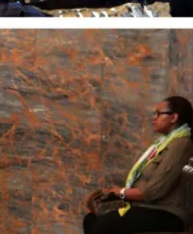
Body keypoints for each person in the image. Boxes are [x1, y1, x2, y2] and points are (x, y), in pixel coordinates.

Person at [83, 95, 193, 234]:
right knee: (90, 219)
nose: (154, 117)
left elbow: (154, 191)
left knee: (104, 225)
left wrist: (122, 192)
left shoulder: (181, 144)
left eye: (158, 114)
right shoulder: (163, 143)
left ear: (174, 117)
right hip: (144, 206)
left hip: (165, 211)